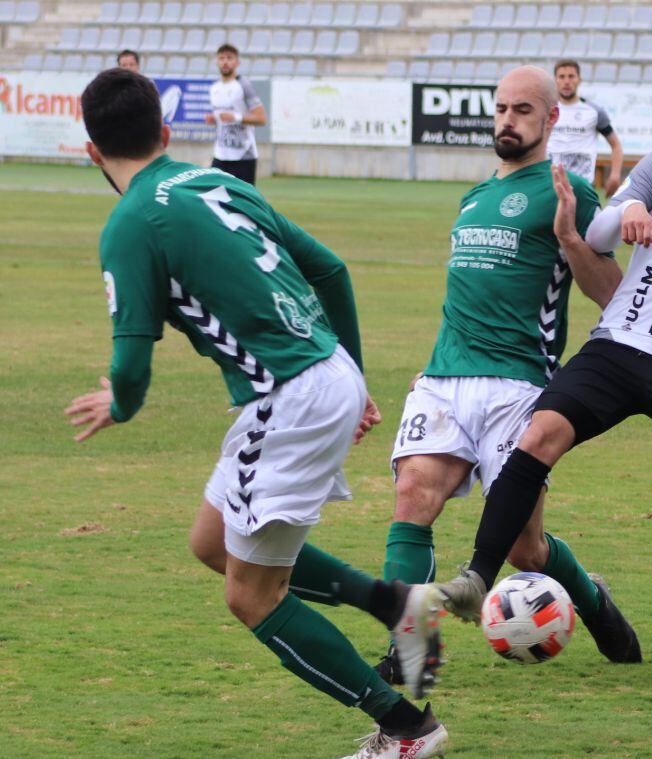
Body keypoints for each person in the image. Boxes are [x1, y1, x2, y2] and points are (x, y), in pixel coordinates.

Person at [65, 68, 448, 759]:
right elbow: (330, 268)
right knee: (213, 542)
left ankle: (405, 728)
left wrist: (117, 403)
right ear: (164, 131)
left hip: (288, 395)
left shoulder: (129, 223)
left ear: (91, 149)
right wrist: (354, 377)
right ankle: (396, 603)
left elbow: (131, 367)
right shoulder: (220, 181)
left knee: (250, 594)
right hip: (322, 370)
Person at [434, 71, 652, 683]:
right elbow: (597, 234)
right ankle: (478, 577)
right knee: (538, 436)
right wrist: (631, 207)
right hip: (621, 345)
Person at [378, 65, 625, 681]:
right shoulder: (473, 196)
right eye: (500, 109)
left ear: (551, 118)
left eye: (521, 110)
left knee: (524, 549)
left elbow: (611, 293)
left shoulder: (568, 190)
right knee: (413, 497)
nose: (507, 121)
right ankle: (411, 649)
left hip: (519, 381)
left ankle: (591, 600)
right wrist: (432, 364)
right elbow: (466, 293)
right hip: (446, 375)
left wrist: (570, 237)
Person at [547, 59, 625, 196]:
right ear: (555, 81)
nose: (566, 81)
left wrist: (615, 175)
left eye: (571, 76)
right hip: (550, 184)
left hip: (583, 187)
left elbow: (616, 146)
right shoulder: (547, 110)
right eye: (562, 77)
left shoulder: (594, 111)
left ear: (579, 80)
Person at [203, 44, 266, 186]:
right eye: (222, 58)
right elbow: (222, 120)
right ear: (217, 62)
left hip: (243, 156)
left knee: (243, 204)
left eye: (229, 58)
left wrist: (237, 117)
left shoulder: (243, 86)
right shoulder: (214, 88)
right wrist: (214, 119)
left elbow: (261, 118)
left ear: (237, 62)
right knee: (215, 199)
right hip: (220, 155)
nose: (225, 62)